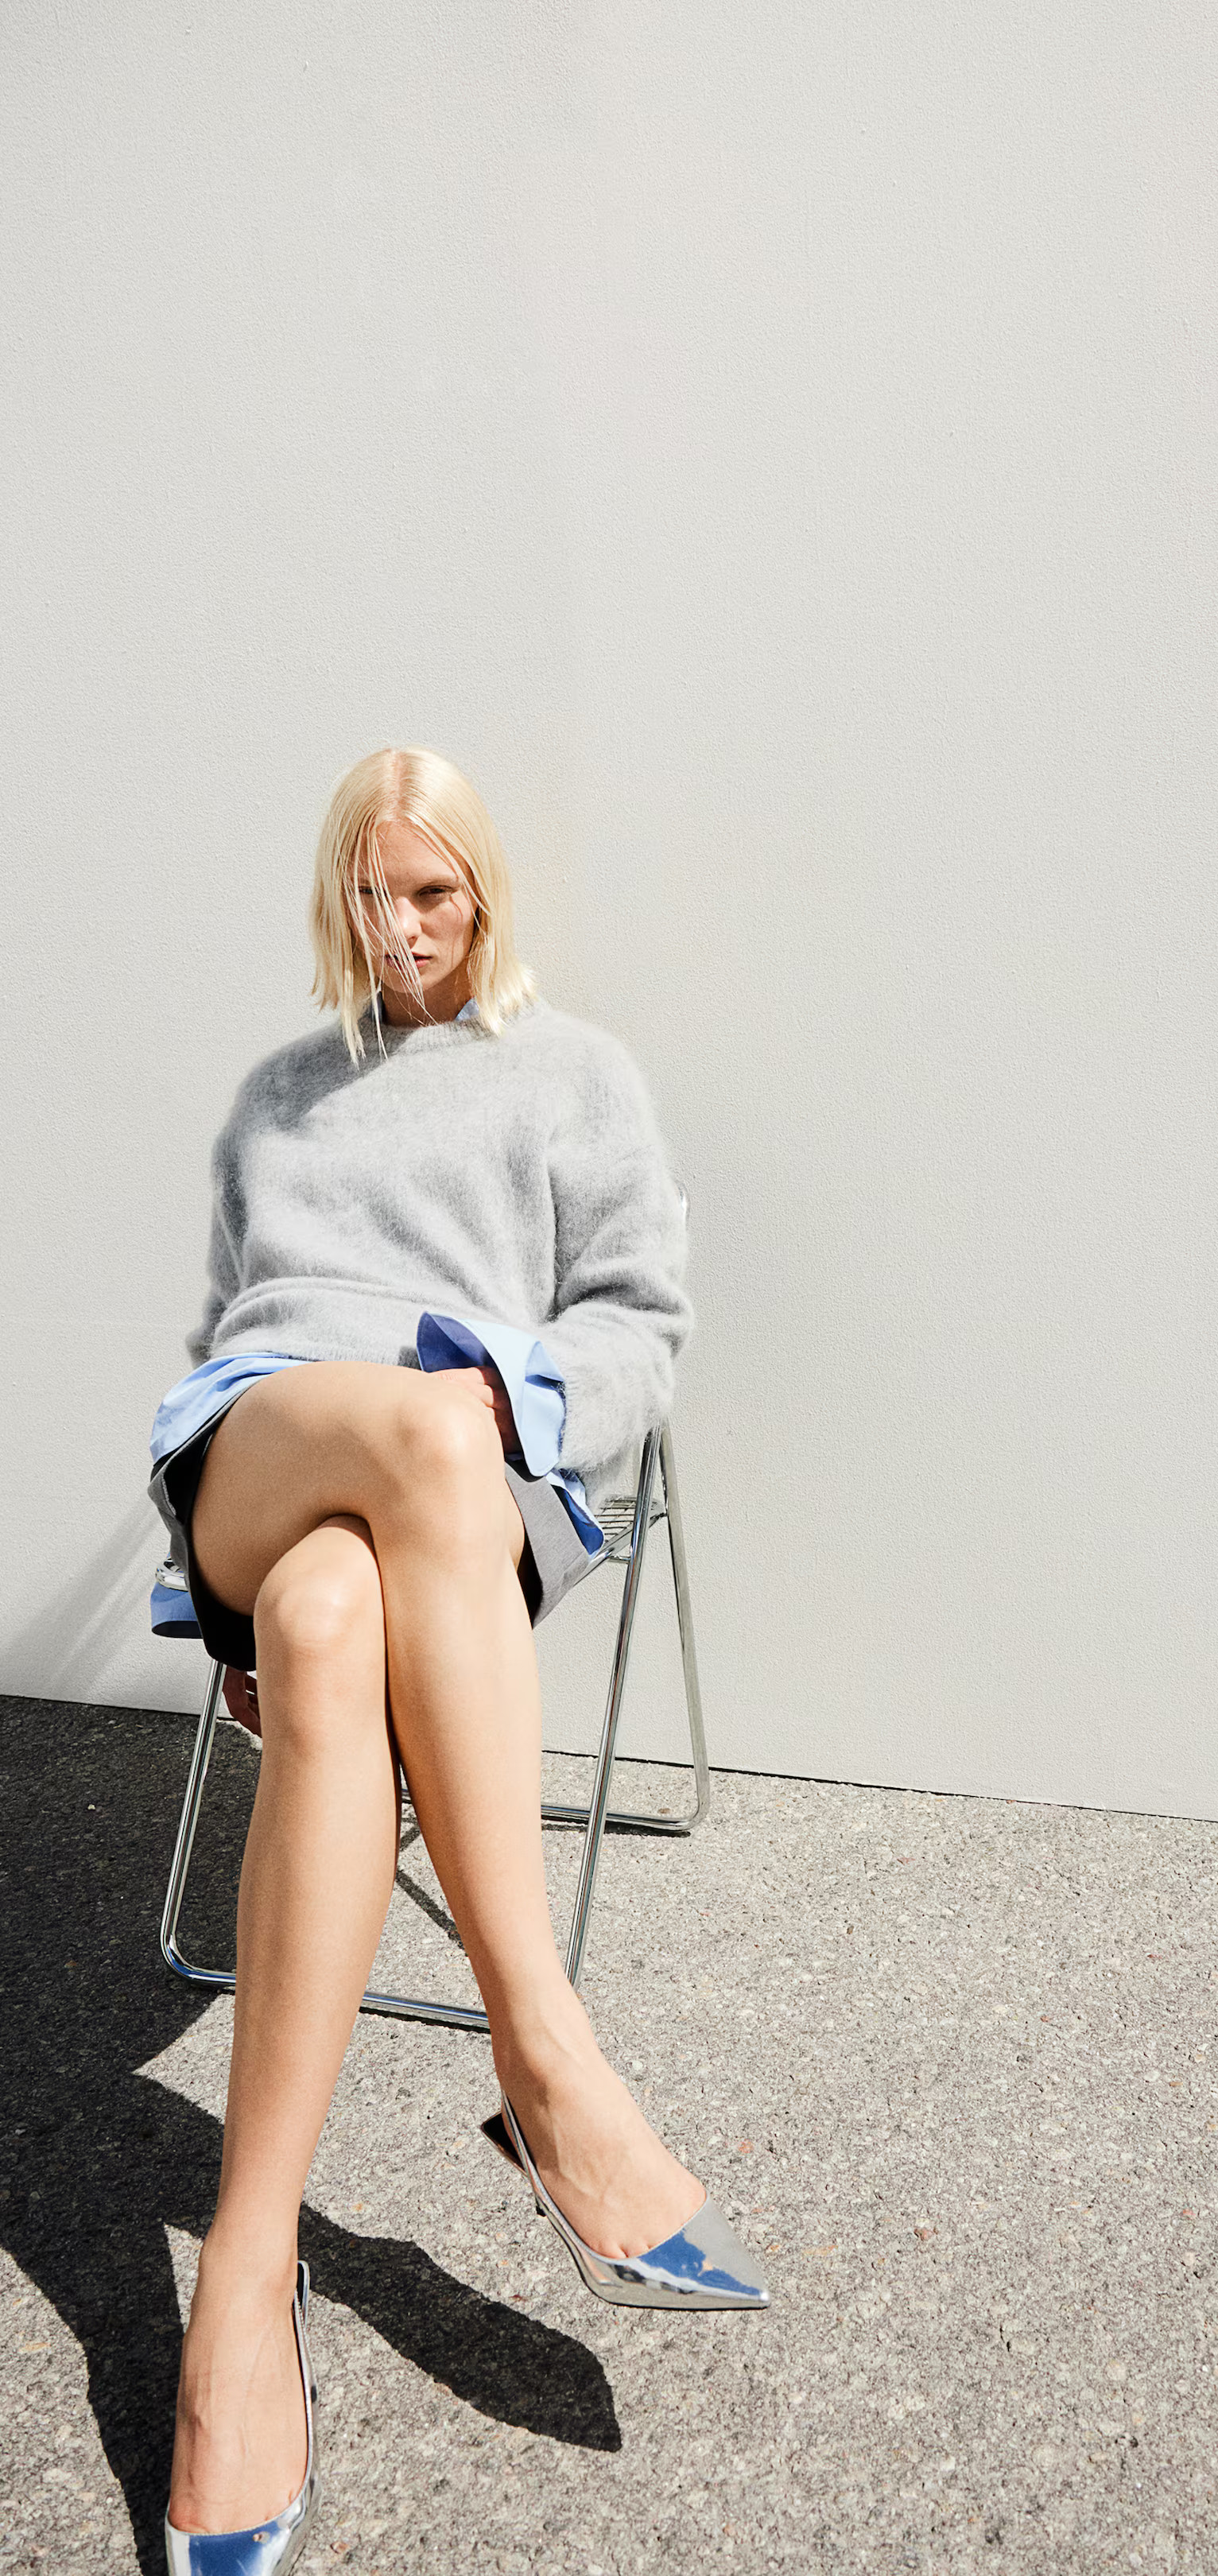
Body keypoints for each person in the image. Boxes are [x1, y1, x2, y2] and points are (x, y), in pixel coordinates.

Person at [148, 747, 766, 2576]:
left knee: (333, 1613)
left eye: (434, 892)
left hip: (446, 1501)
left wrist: (510, 1399)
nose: (403, 927)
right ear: (337, 896)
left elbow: (641, 1328)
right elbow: (234, 1320)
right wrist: (393, 1433)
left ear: (483, 889)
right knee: (411, 1435)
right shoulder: (280, 1095)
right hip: (267, 1442)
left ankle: (243, 2286)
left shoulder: (576, 1078)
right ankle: (548, 2056)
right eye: (373, 894)